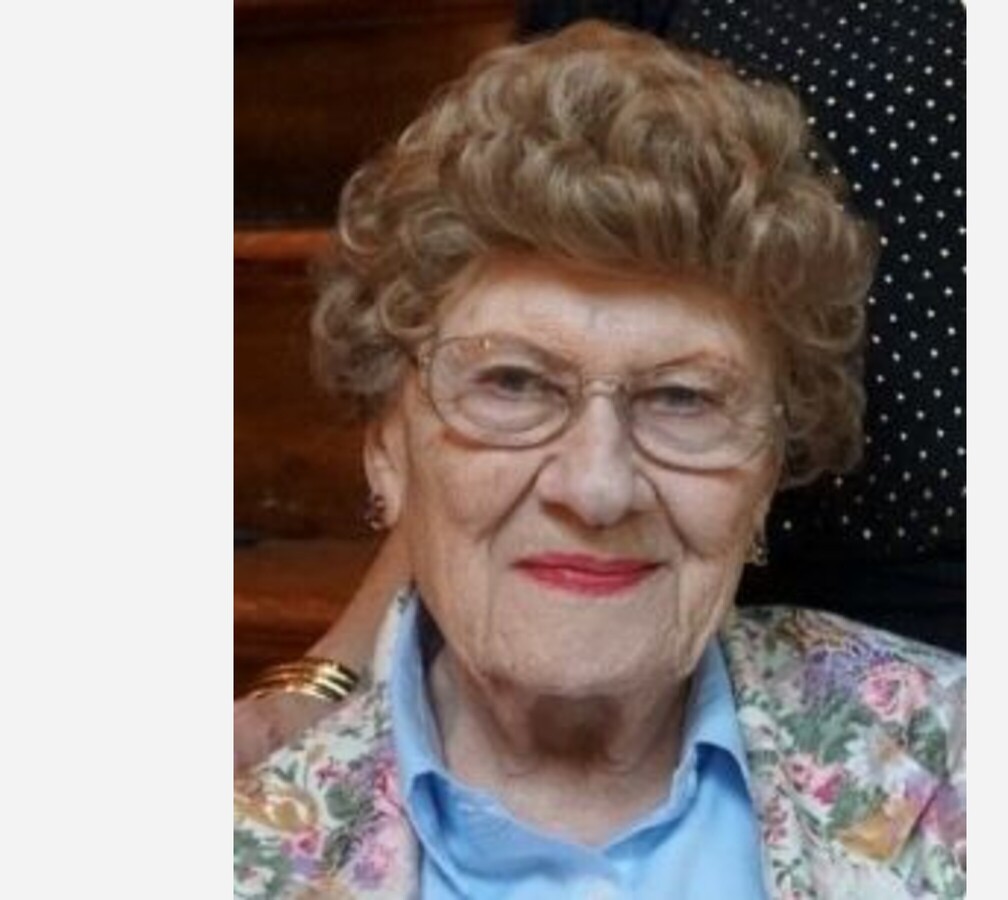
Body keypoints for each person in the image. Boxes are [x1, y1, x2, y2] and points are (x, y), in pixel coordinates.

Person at [234, 20, 965, 899]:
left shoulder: (957, 762)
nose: (597, 486)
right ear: (386, 452)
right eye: (512, 384)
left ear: (770, 467)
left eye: (684, 398)